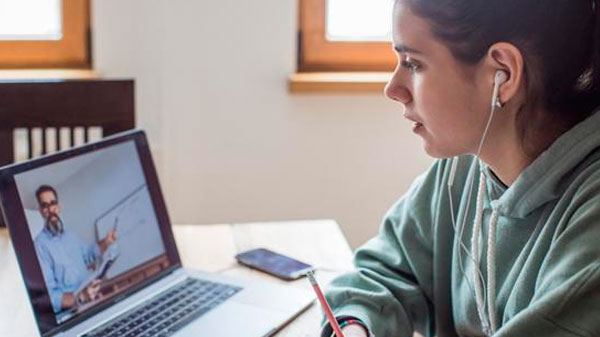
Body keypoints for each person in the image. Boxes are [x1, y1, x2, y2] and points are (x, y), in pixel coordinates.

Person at [322, 0, 600, 336]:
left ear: (504, 73)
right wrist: (357, 327)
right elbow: (386, 273)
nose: (392, 89)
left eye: (413, 63)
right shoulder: (464, 167)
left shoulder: (590, 218)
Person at [34, 185, 118, 313]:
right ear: (41, 211)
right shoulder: (40, 245)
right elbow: (49, 297)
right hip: (74, 313)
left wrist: (106, 242)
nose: (50, 209)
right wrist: (80, 297)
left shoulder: (71, 235)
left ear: (59, 206)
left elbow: (88, 256)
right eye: (45, 205)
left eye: (53, 203)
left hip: (93, 300)